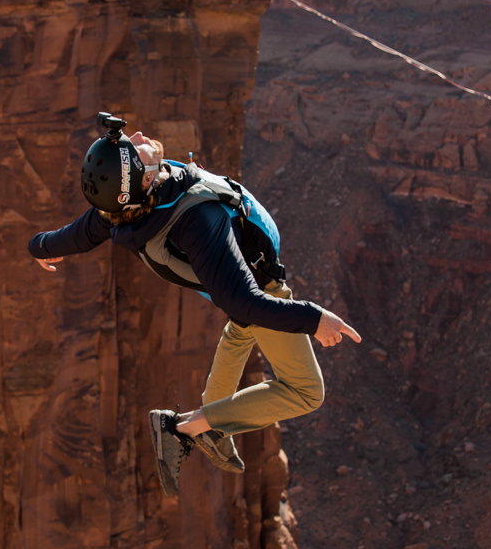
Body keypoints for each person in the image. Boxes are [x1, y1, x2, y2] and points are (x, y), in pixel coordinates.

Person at [29, 113, 361, 495]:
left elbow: (80, 235)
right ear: (146, 177)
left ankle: (212, 429)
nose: (138, 133)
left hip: (241, 289)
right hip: (260, 292)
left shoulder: (120, 208)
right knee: (306, 392)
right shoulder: (196, 219)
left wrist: (39, 246)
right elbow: (245, 301)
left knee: (240, 331)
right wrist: (314, 318)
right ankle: (185, 427)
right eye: (133, 149)